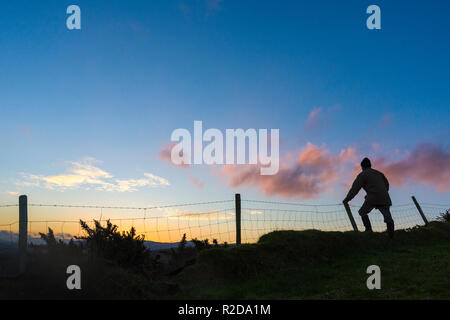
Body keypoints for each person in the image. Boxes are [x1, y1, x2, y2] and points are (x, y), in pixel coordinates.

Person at [343, 157, 395, 238]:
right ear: (370, 165)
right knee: (388, 217)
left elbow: (355, 189)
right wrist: (381, 192)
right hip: (384, 197)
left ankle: (368, 230)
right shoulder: (379, 173)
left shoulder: (362, 175)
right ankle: (391, 235)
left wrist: (347, 199)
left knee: (362, 212)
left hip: (373, 198)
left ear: (362, 167)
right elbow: (387, 185)